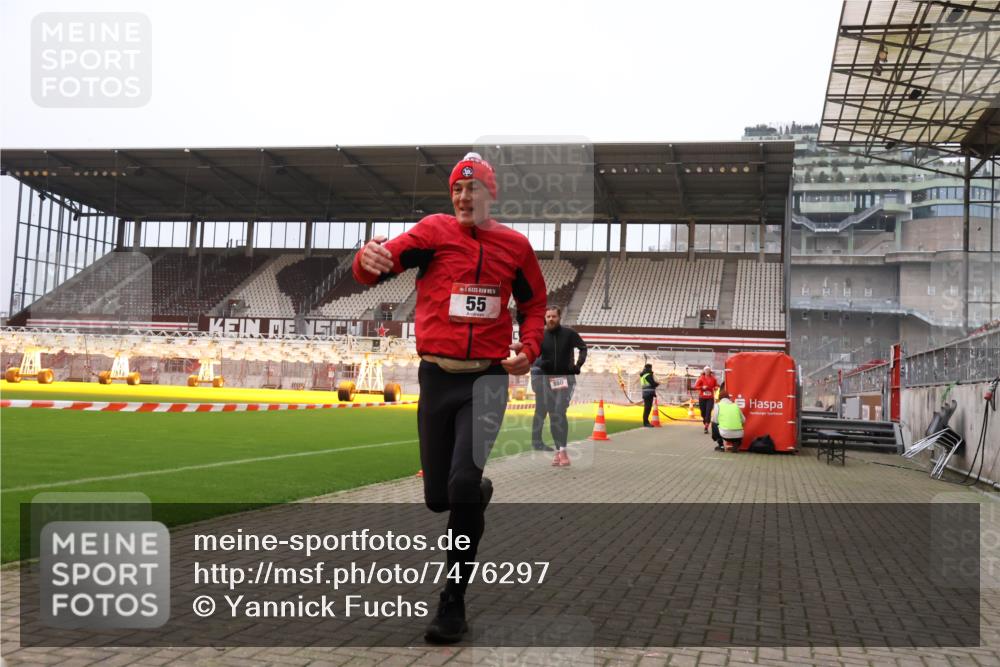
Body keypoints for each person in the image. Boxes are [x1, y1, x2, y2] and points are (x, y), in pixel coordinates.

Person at [353, 151, 547, 644]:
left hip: (486, 381)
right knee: (440, 498)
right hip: (436, 379)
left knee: (462, 481)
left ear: (491, 194)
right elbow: (380, 265)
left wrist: (529, 347)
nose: (464, 197)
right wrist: (366, 259)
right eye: (458, 189)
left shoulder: (515, 246)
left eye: (474, 188)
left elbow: (534, 304)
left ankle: (453, 601)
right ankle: (473, 495)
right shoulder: (433, 231)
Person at [531, 305, 588, 466]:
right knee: (553, 415)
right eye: (548, 317)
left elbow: (583, 348)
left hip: (565, 378)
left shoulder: (569, 334)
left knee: (559, 411)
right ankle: (559, 451)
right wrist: (541, 362)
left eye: (553, 316)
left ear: (559, 317)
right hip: (547, 380)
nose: (550, 319)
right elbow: (533, 356)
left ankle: (563, 452)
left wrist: (578, 365)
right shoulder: (541, 335)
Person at [711, 388, 745, 452]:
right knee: (738, 427)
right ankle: (736, 443)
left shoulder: (718, 405)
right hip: (739, 435)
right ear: (728, 398)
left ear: (719, 398)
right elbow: (743, 420)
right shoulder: (735, 405)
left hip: (725, 434)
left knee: (713, 423)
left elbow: (715, 420)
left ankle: (721, 446)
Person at [693, 366, 718, 435]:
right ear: (704, 371)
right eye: (706, 370)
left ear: (710, 371)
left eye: (708, 370)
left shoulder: (713, 379)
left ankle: (706, 427)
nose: (707, 371)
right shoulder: (700, 378)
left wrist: (716, 387)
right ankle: (705, 420)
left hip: (710, 398)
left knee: (708, 412)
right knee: (703, 412)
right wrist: (702, 387)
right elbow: (695, 387)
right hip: (702, 397)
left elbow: (716, 386)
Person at [639, 363, 659, 427]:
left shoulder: (643, 375)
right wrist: (657, 383)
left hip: (646, 393)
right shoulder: (648, 375)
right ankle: (646, 423)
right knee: (647, 408)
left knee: (647, 408)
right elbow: (653, 384)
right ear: (650, 368)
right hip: (649, 394)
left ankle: (646, 422)